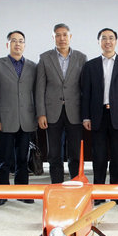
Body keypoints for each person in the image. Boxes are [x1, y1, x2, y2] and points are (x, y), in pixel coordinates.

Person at [81, 28, 118, 205]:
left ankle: (116, 193)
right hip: (98, 116)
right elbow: (86, 93)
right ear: (99, 42)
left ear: (116, 41)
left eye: (111, 38)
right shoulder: (90, 65)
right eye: (104, 38)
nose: (108, 41)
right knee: (99, 157)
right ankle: (98, 194)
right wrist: (86, 117)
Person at [0, 31, 38, 206]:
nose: (18, 44)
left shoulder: (32, 66)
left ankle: (22, 191)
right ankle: (1, 193)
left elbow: (36, 93)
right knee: (5, 159)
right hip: (5, 120)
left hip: (26, 119)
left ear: (24, 45)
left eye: (21, 41)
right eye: (14, 41)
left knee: (23, 159)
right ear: (7, 44)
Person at [36, 23, 87, 183]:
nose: (62, 38)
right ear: (53, 37)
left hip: (75, 111)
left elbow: (85, 88)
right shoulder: (45, 58)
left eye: (65, 34)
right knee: (54, 153)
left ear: (70, 37)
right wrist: (41, 113)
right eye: (58, 35)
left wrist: (86, 114)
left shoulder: (81, 57)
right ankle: (57, 185)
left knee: (75, 153)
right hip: (52, 112)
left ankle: (76, 183)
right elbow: (40, 88)